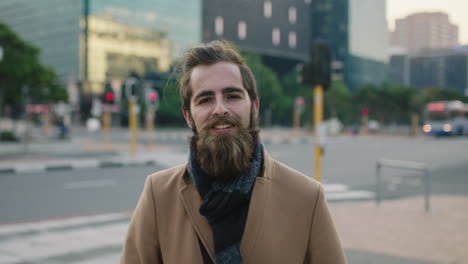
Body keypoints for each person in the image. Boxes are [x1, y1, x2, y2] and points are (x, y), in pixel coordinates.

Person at [121, 40, 346, 264]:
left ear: (254, 107)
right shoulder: (158, 196)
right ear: (188, 116)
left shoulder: (307, 197)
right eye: (206, 99)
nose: (220, 109)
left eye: (232, 96)